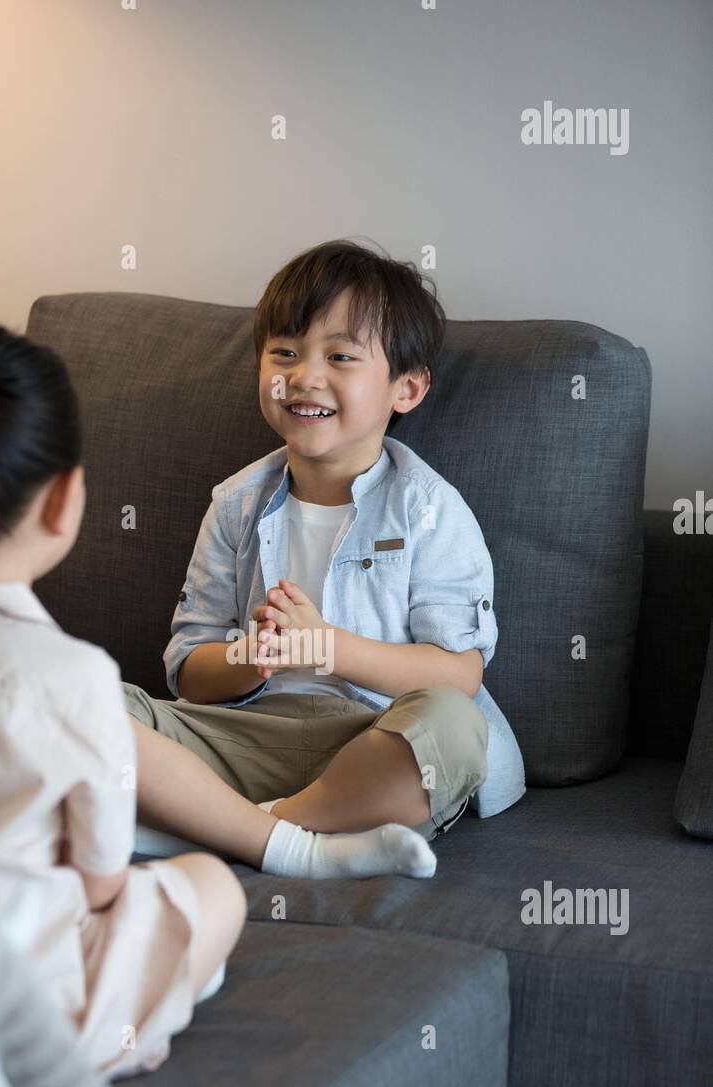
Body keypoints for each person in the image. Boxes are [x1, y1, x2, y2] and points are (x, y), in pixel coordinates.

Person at [0, 324, 249, 1087]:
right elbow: (100, 888)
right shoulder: (75, 678)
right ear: (65, 499)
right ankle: (139, 1012)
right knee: (210, 890)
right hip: (14, 1026)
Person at [122, 239, 526, 866]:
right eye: (284, 351)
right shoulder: (235, 504)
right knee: (86, 704)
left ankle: (239, 830)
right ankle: (277, 834)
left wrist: (326, 645)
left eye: (341, 356)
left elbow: (458, 674)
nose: (304, 377)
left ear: (407, 389)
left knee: (452, 725)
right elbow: (189, 669)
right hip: (243, 737)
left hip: (368, 740)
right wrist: (248, 656)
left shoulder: (428, 509)